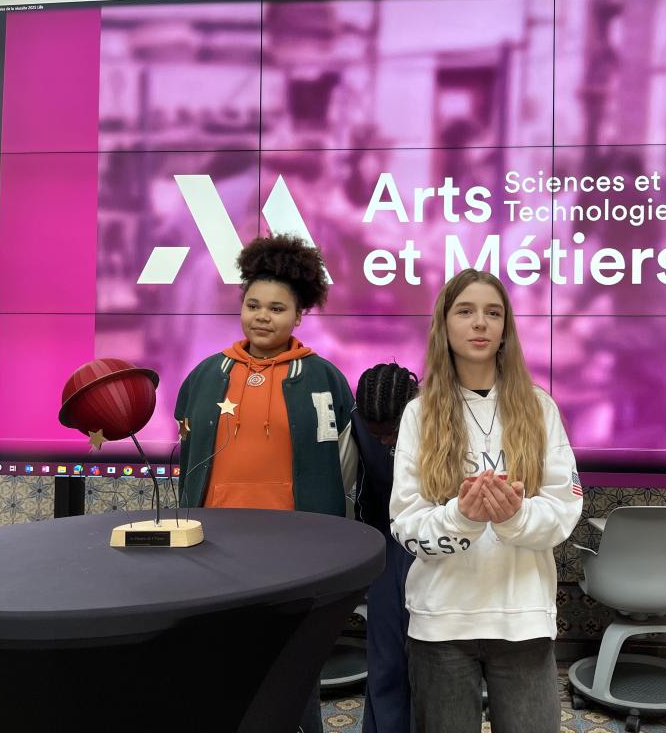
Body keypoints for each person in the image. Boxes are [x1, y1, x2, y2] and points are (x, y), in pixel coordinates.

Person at [175, 233, 356, 733]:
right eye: (253, 304)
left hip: (295, 546)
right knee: (220, 656)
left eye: (277, 307)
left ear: (300, 315)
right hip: (214, 543)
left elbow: (345, 465)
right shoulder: (206, 375)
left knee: (294, 659)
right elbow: (187, 456)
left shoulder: (325, 378)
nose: (262, 315)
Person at [389, 269, 583, 733]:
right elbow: (405, 525)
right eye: (466, 311)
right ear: (445, 325)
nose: (480, 323)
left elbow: (563, 512)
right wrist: (463, 517)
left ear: (505, 329)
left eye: (492, 313)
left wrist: (514, 516)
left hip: (523, 620)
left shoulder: (540, 408)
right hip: (441, 623)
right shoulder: (419, 412)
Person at [351, 362, 420, 733]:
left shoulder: (437, 417)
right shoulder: (359, 420)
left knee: (428, 665)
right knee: (386, 662)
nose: (385, 442)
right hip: (386, 547)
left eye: (391, 433)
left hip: (434, 548)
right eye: (374, 434)